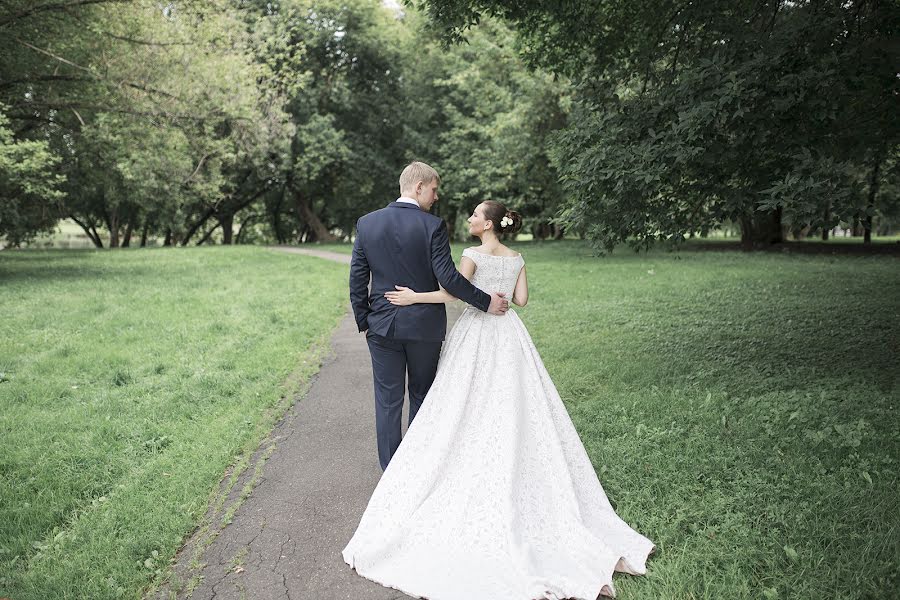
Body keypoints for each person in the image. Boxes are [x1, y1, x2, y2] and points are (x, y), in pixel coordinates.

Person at [342, 200, 655, 599]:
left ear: (488, 223)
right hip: (508, 335)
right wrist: (501, 291)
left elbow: (452, 292)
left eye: (474, 215)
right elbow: (521, 301)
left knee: (454, 401)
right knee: (510, 401)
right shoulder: (517, 256)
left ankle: (418, 466)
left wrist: (414, 298)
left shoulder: (471, 254)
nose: (469, 219)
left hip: (474, 331)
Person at [349, 161, 510, 471]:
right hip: (424, 328)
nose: (436, 197)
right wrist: (485, 302)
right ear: (419, 187)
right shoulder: (432, 225)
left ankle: (391, 473)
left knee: (387, 402)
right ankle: (417, 470)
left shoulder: (367, 223)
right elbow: (448, 278)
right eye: (434, 190)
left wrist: (365, 320)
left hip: (382, 327)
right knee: (422, 396)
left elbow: (357, 278)